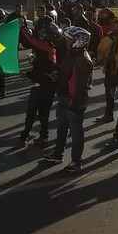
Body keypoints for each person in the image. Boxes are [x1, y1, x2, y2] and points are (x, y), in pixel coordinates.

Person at [42, 26, 94, 171]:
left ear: (78, 41)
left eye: (70, 39)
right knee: (61, 128)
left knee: (76, 132)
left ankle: (77, 161)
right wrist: (57, 73)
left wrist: (73, 105)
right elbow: (66, 71)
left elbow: (81, 86)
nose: (66, 41)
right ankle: (58, 154)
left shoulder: (83, 60)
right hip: (64, 97)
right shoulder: (72, 54)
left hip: (74, 101)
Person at [14, 21, 59, 149]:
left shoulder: (44, 48)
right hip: (50, 88)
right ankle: (44, 137)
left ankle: (23, 138)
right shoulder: (54, 49)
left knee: (31, 115)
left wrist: (22, 27)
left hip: (41, 87)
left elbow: (30, 40)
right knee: (44, 115)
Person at [95, 18, 118, 123]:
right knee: (109, 95)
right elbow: (100, 50)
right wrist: (100, 58)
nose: (116, 29)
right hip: (109, 70)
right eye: (114, 27)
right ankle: (109, 115)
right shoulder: (107, 39)